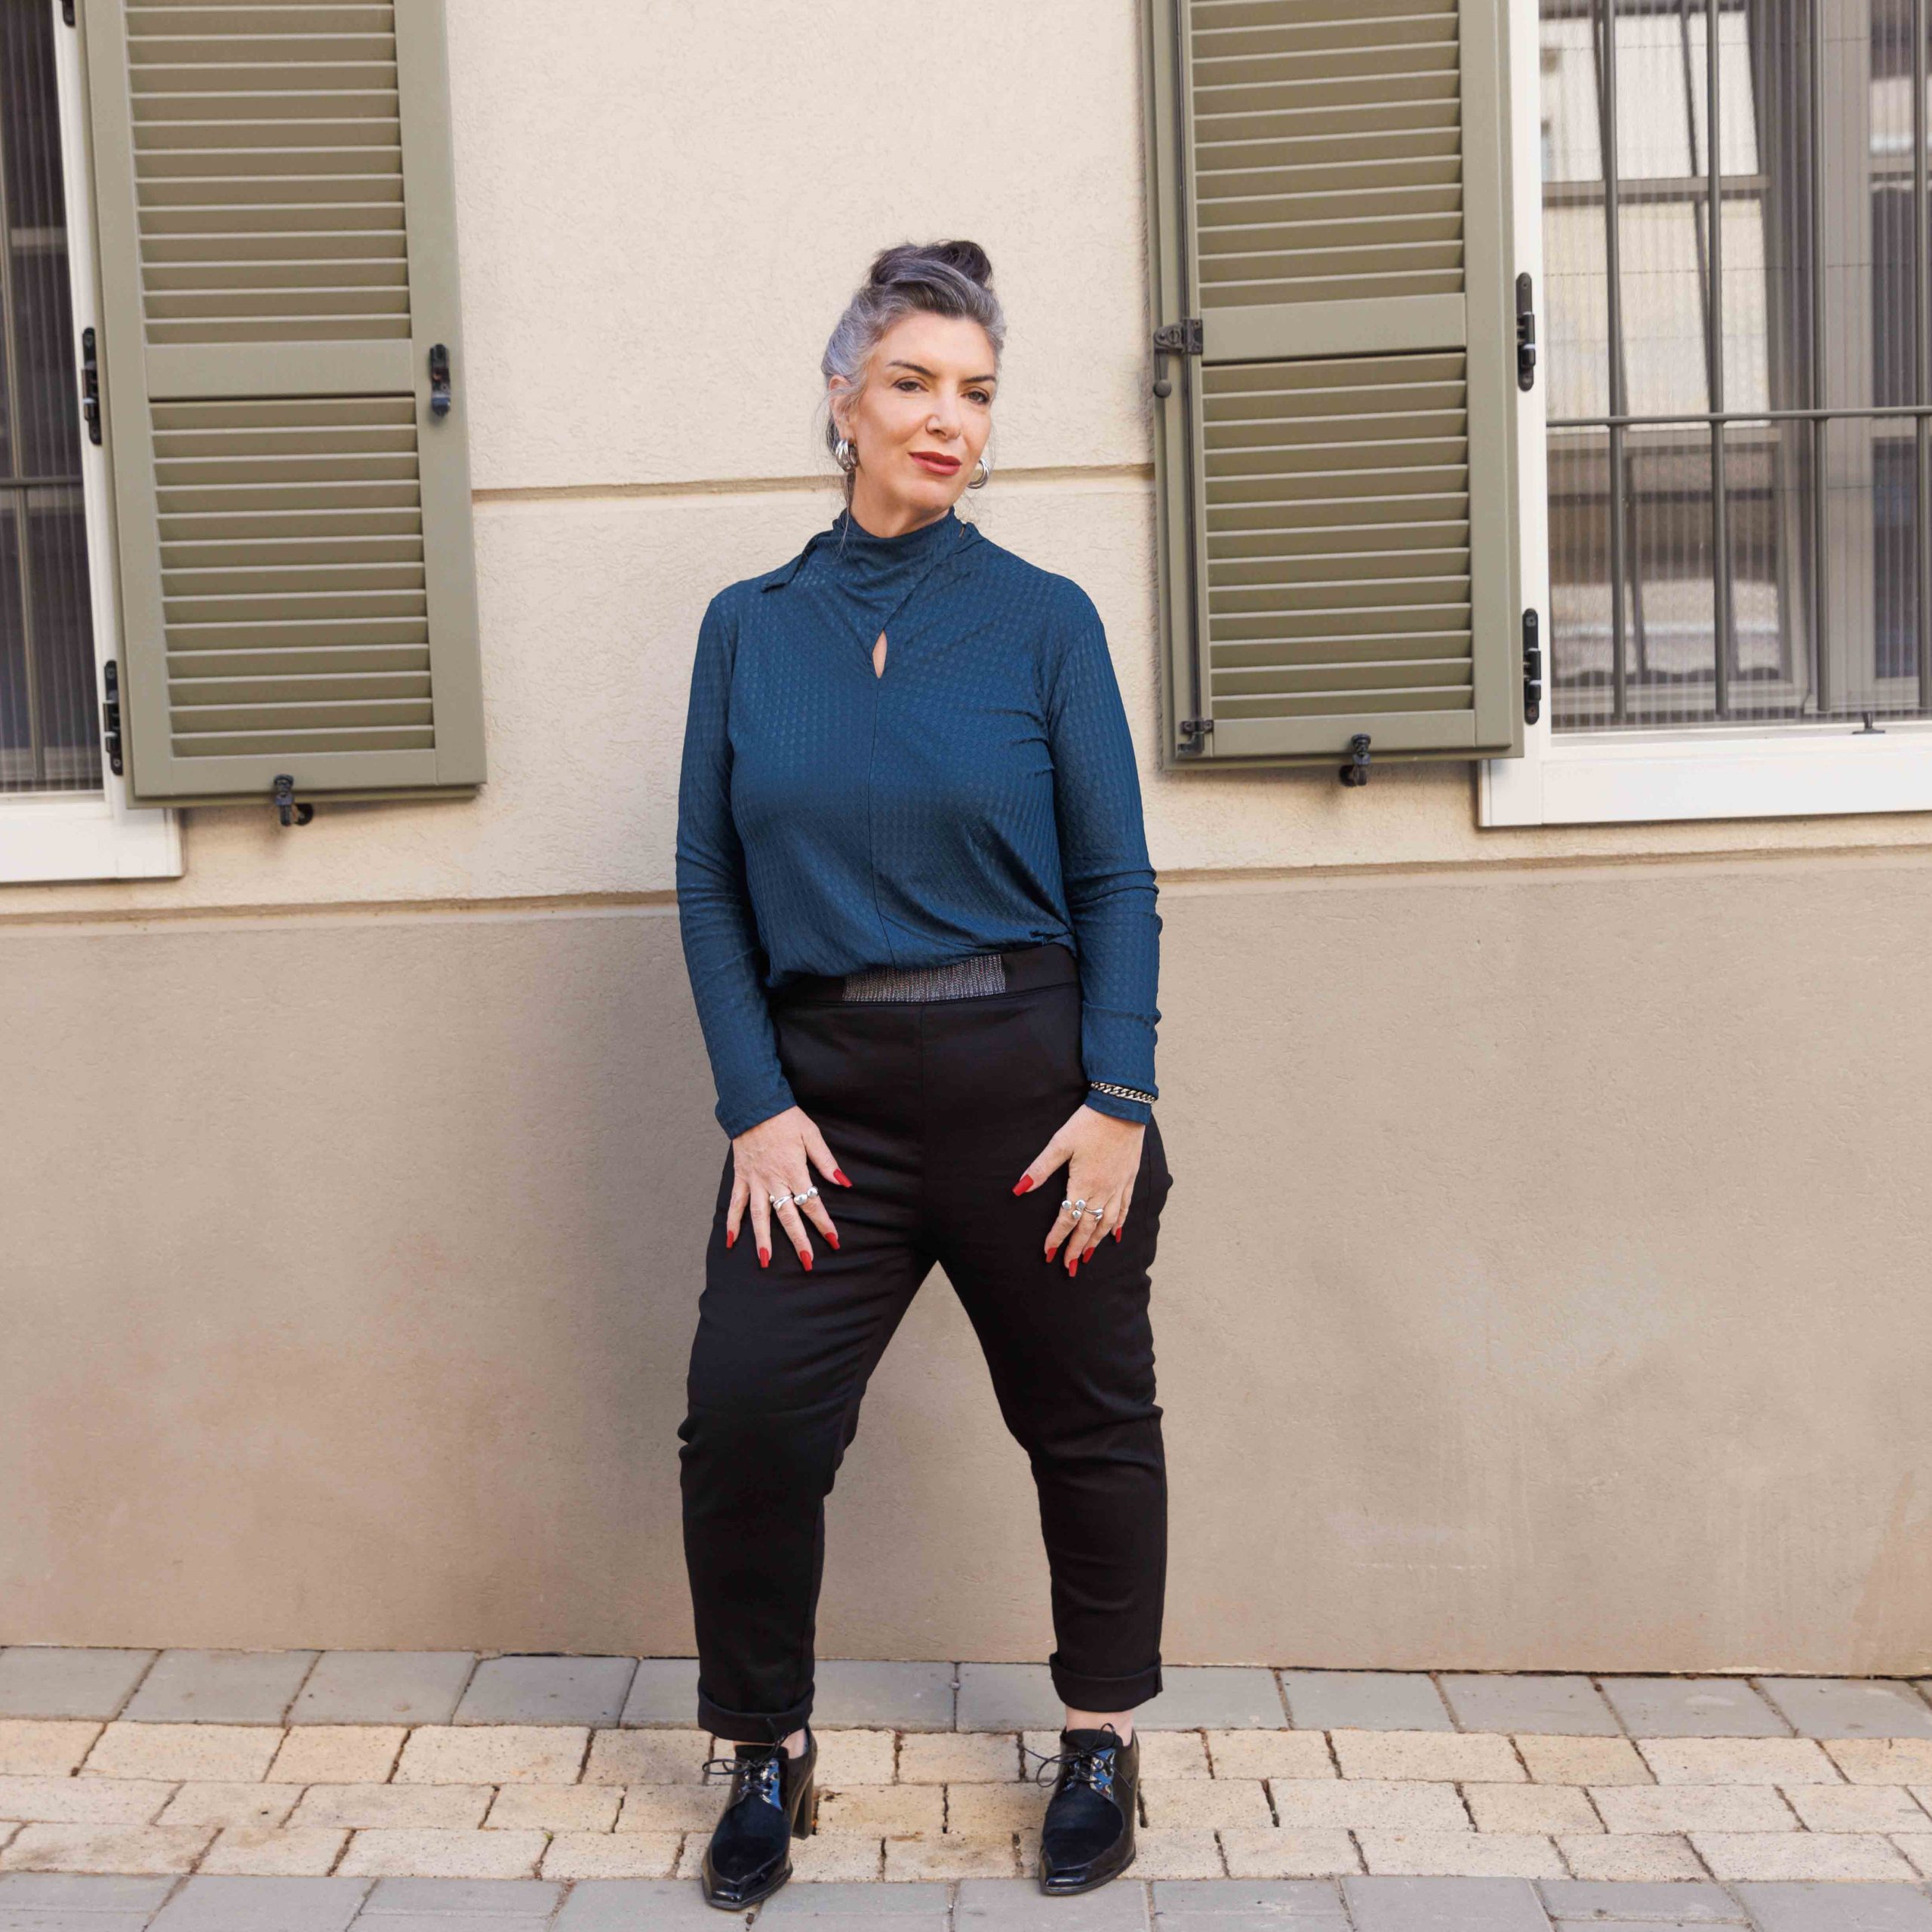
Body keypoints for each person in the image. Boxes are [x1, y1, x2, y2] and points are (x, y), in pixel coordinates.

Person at [673, 238, 1173, 1910]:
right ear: (844, 398)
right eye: (912, 382)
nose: (947, 419)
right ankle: (766, 1749)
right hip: (820, 1106)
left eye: (976, 392)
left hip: (1034, 1096)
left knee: (1087, 1423)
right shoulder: (748, 631)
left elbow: (1114, 878)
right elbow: (708, 880)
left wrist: (1117, 1101)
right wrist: (754, 1103)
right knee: (748, 1420)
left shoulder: (1041, 621)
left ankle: (1099, 1741)